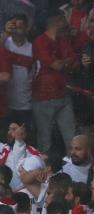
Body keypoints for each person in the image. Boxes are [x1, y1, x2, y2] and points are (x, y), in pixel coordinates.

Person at [32, 10, 77, 153]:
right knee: (45, 140)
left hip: (63, 94)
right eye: (64, 18)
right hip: (43, 96)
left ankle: (74, 170)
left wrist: (64, 62)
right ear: (58, 21)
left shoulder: (63, 41)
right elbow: (56, 65)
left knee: (71, 137)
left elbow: (74, 63)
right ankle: (43, 173)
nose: (67, 21)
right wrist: (66, 62)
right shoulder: (40, 41)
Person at [3, 14, 34, 128]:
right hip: (6, 101)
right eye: (14, 26)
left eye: (20, 27)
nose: (16, 30)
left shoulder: (32, 48)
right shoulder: (4, 42)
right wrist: (5, 33)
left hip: (25, 103)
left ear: (27, 28)